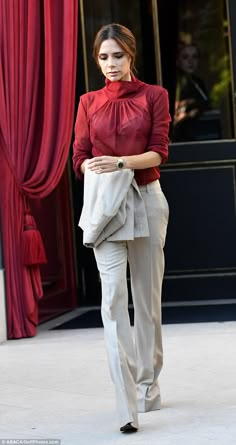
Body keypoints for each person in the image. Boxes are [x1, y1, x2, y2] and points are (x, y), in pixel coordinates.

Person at [73, 23, 171, 433]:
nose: (110, 64)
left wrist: (117, 163)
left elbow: (159, 153)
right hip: (107, 209)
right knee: (113, 301)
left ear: (130, 55)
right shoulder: (88, 101)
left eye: (117, 55)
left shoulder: (155, 96)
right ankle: (125, 404)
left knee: (146, 301)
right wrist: (92, 170)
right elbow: (79, 156)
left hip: (146, 201)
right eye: (103, 57)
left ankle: (149, 384)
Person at [172, 42, 210, 141]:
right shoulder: (176, 83)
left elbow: (206, 103)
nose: (190, 61)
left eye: (194, 57)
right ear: (178, 60)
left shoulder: (198, 82)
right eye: (185, 57)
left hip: (199, 135)